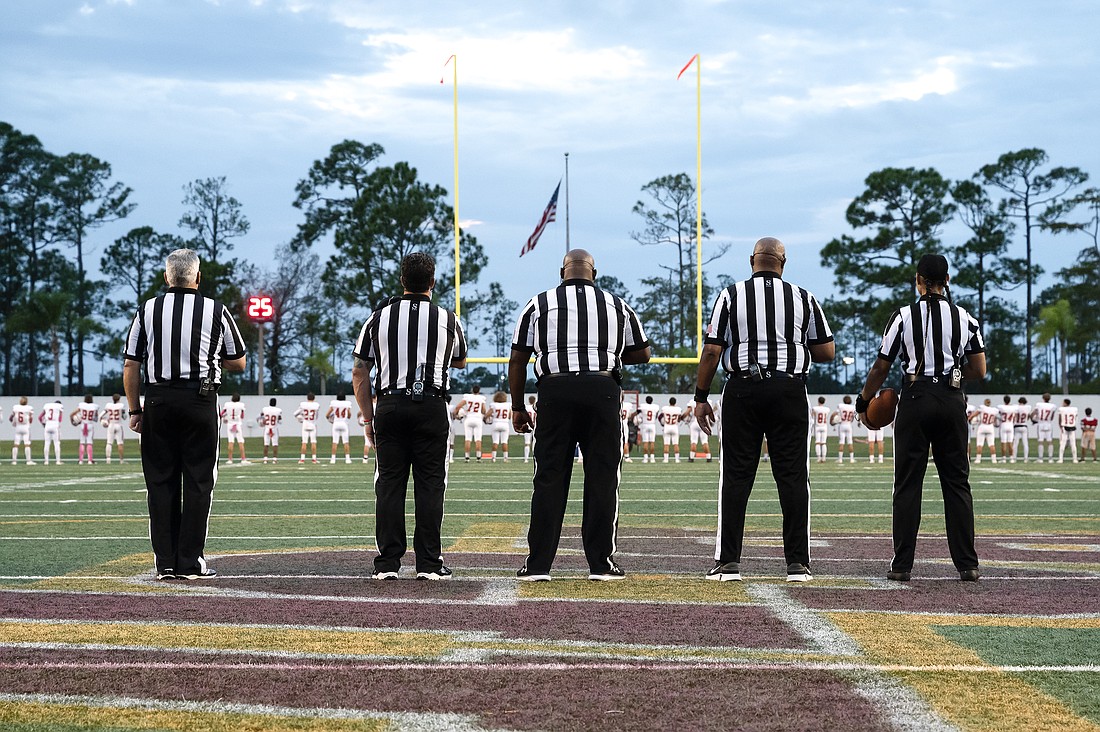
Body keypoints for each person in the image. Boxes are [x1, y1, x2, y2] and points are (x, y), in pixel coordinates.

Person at [694, 237, 833, 583]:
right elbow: (826, 351)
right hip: (789, 389)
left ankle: (728, 562)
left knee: (736, 476)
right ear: (783, 263)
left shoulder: (731, 295)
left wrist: (700, 396)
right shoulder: (803, 297)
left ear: (751, 260)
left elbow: (712, 351)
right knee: (793, 476)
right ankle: (798, 564)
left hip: (743, 389)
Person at [509, 248, 650, 581]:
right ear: (594, 274)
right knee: (603, 477)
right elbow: (643, 353)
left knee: (548, 477)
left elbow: (518, 359)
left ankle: (538, 565)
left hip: (554, 390)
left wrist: (517, 406)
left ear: (562, 273)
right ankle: (601, 564)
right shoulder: (617, 304)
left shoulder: (538, 303)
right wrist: (607, 354)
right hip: (601, 390)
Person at [855, 254, 985, 582]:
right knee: (956, 483)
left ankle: (902, 565)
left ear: (919, 280)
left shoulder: (903, 316)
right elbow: (979, 369)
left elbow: (881, 366)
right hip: (951, 399)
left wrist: (864, 400)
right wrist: (954, 375)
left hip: (915, 397)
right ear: (947, 280)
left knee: (908, 484)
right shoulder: (965, 318)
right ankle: (967, 564)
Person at [123, 247, 246, 581]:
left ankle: (165, 562)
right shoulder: (216, 310)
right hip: (199, 401)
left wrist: (135, 409)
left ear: (167, 277)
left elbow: (131, 364)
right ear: (198, 277)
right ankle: (190, 562)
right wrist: (210, 355)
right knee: (198, 482)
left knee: (160, 482)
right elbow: (238, 361)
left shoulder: (148, 309)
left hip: (158, 401)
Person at [352, 252, 467, 580]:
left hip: (390, 404)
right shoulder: (447, 318)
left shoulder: (378, 317)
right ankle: (429, 563)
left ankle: (388, 563)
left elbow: (360, 370)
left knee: (389, 484)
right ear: (433, 282)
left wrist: (368, 418)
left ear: (402, 280)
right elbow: (460, 359)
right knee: (431, 484)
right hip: (431, 405)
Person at [453, 385, 488, 461]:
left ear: (472, 390)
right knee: (478, 439)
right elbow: (484, 410)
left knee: (468, 438)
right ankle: (478, 457)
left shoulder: (467, 397)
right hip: (478, 419)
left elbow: (458, 406)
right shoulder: (481, 398)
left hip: (469, 418)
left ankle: (467, 457)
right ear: (479, 391)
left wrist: (455, 415)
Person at [70, 395, 99, 465]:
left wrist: (73, 422)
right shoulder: (94, 406)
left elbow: (71, 414)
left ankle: (81, 460)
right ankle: (90, 460)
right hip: (90, 425)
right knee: (89, 443)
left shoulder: (81, 405)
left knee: (82, 442)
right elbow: (96, 419)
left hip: (83, 425)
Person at [220, 393, 248, 464]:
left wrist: (226, 417)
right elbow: (242, 416)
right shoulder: (241, 405)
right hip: (237, 424)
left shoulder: (227, 404)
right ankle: (243, 459)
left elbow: (221, 414)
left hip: (230, 424)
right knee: (240, 441)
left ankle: (230, 459)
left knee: (231, 441)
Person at [327, 391, 353, 464]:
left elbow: (327, 414)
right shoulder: (347, 403)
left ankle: (333, 459)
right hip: (344, 423)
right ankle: (347, 459)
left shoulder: (334, 403)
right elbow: (349, 416)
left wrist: (331, 419)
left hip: (336, 423)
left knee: (335, 442)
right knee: (346, 442)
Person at [102, 393, 128, 464]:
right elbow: (124, 417)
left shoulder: (108, 405)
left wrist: (103, 422)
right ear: (119, 399)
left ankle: (108, 460)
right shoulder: (121, 405)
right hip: (118, 425)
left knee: (109, 443)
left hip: (111, 425)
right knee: (120, 443)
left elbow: (101, 415)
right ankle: (121, 460)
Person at [972, 398, 999, 464]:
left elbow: (975, 414)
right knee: (991, 444)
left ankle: (978, 459)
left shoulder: (982, 408)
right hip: (990, 427)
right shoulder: (994, 410)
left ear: (985, 403)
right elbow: (995, 419)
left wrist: (969, 418)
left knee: (980, 444)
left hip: (982, 426)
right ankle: (994, 460)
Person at [10, 397, 35, 465]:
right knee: (27, 444)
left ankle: (14, 461)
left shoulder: (16, 407)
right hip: (25, 427)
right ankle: (28, 461)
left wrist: (14, 422)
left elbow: (11, 417)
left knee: (16, 444)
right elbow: (30, 420)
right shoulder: (29, 408)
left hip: (18, 427)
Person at [1032, 393, 1057, 463]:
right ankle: (1050, 458)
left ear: (1043, 398)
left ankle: (1040, 458)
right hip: (1048, 423)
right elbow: (1052, 417)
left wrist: (1033, 420)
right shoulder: (1053, 406)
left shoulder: (1039, 405)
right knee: (1050, 441)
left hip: (1041, 423)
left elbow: (1033, 413)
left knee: (1040, 441)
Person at [39, 399, 65, 465]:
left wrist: (43, 424)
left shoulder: (47, 406)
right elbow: (60, 419)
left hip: (47, 425)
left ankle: (46, 461)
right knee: (56, 443)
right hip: (55, 425)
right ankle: (58, 461)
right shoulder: (59, 407)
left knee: (47, 443)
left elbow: (40, 417)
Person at [488, 392, 512, 462]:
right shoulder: (508, 405)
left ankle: (493, 458)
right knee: (504, 441)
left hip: (496, 423)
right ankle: (505, 458)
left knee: (495, 441)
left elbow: (488, 414)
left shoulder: (494, 405)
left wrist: (485, 419)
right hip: (505, 423)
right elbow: (509, 416)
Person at [258, 397, 282, 464]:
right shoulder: (278, 410)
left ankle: (265, 459)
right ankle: (274, 459)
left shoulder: (265, 409)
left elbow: (261, 415)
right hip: (274, 428)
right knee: (275, 444)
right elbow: (280, 419)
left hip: (267, 428)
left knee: (266, 444)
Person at [833, 396, 856, 464]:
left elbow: (835, 414)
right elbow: (853, 417)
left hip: (842, 424)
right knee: (850, 442)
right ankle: (851, 459)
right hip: (849, 425)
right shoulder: (852, 407)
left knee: (841, 442)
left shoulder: (841, 406)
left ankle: (840, 459)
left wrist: (832, 421)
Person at [636, 396, 659, 463]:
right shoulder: (655, 407)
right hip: (652, 424)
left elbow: (638, 412)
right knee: (652, 442)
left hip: (645, 424)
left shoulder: (643, 406)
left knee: (645, 442)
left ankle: (645, 458)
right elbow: (656, 416)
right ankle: (652, 458)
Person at [659, 397, 682, 463]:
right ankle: (677, 459)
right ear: (675, 402)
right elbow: (679, 419)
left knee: (666, 444)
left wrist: (662, 423)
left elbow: (660, 417)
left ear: (669, 402)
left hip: (667, 426)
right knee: (676, 444)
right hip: (674, 426)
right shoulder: (678, 409)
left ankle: (666, 459)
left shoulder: (665, 408)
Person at [1057, 398, 1079, 464]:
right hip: (1072, 427)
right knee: (1073, 444)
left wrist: (1060, 426)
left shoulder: (1061, 409)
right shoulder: (1074, 409)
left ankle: (1061, 459)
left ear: (1065, 403)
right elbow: (1076, 417)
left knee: (1062, 443)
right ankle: (1075, 459)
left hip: (1065, 427)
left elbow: (1060, 418)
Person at [811, 396, 831, 463]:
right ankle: (824, 458)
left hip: (817, 426)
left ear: (818, 401)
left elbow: (812, 415)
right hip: (824, 426)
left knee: (817, 442)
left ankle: (819, 458)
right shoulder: (827, 409)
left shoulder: (815, 408)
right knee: (823, 443)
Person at [1012, 397, 1031, 463]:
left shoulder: (1015, 407)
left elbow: (1014, 416)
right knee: (1025, 443)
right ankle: (1025, 458)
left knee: (1015, 443)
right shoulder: (1028, 407)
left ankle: (1014, 458)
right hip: (1024, 425)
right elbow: (1028, 417)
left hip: (1017, 425)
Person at [997, 395, 1015, 462]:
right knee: (1010, 442)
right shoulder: (1013, 407)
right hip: (1010, 425)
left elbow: (998, 413)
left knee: (1003, 442)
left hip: (1004, 425)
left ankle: (1004, 458)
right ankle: (1011, 458)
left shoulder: (1001, 407)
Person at [524, 396, 538, 463]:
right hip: (535, 425)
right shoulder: (536, 407)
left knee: (527, 443)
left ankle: (526, 459)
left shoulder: (526, 407)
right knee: (535, 443)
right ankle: (534, 457)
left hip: (528, 425)